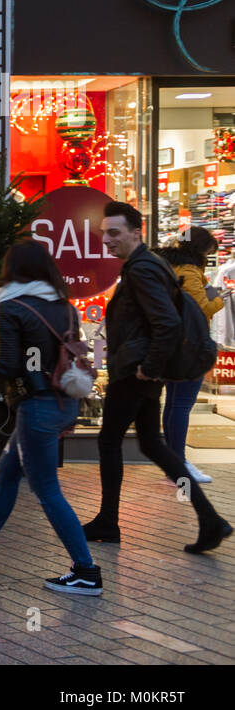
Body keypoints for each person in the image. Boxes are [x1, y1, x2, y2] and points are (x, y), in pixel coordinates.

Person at [0, 240, 105, 595]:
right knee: (9, 474)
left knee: (46, 490)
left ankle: (86, 570)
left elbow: (10, 366)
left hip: (38, 408)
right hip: (63, 402)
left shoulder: (10, 307)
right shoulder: (64, 306)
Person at [84, 201, 231, 554]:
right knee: (152, 443)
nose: (107, 239)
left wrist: (148, 367)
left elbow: (167, 323)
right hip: (141, 369)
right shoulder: (146, 265)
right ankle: (209, 518)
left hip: (136, 371)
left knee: (109, 442)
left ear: (137, 233)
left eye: (115, 233)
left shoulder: (143, 269)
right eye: (105, 232)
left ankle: (108, 519)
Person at [158, 226, 223, 485]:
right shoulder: (190, 273)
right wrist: (218, 298)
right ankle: (180, 463)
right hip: (189, 346)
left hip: (173, 344)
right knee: (182, 404)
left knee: (174, 402)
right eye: (208, 251)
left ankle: (173, 462)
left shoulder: (171, 267)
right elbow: (201, 309)